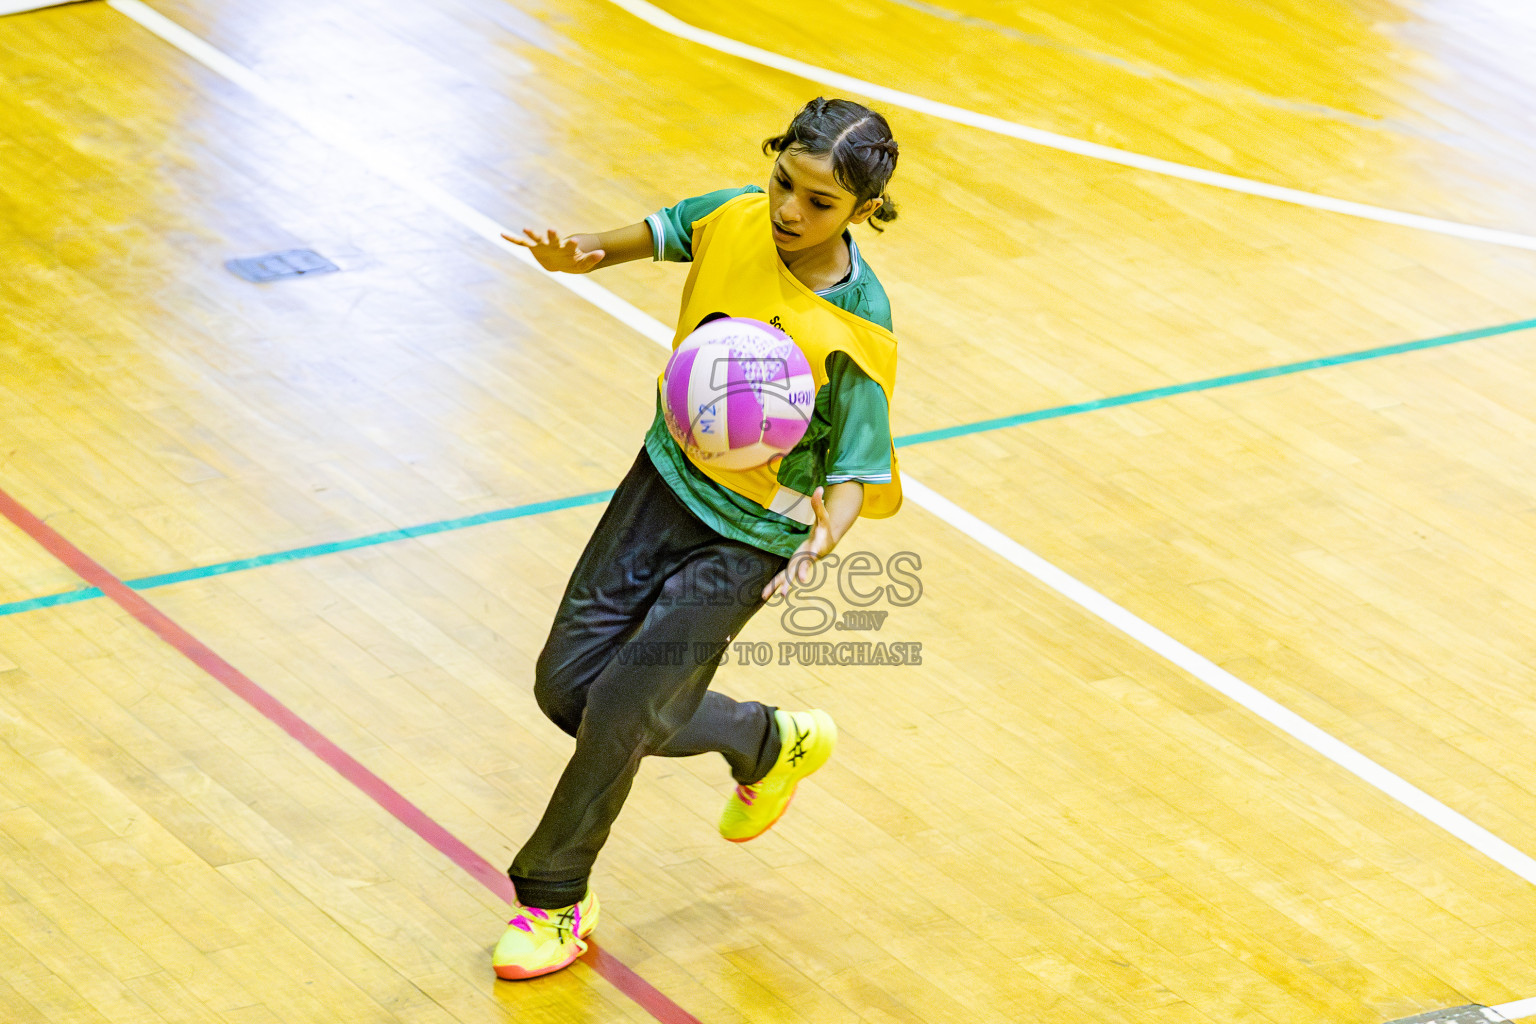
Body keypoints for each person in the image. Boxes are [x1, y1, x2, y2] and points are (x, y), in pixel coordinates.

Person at [492, 97, 905, 980]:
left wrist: (819, 542)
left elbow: (857, 474)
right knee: (568, 689)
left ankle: (552, 902)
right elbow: (661, 229)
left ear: (864, 211)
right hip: (660, 483)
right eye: (784, 182)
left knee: (620, 715)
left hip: (751, 541)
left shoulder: (858, 329)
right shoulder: (736, 217)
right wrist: (585, 256)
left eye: (819, 203)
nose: (791, 210)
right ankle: (766, 742)